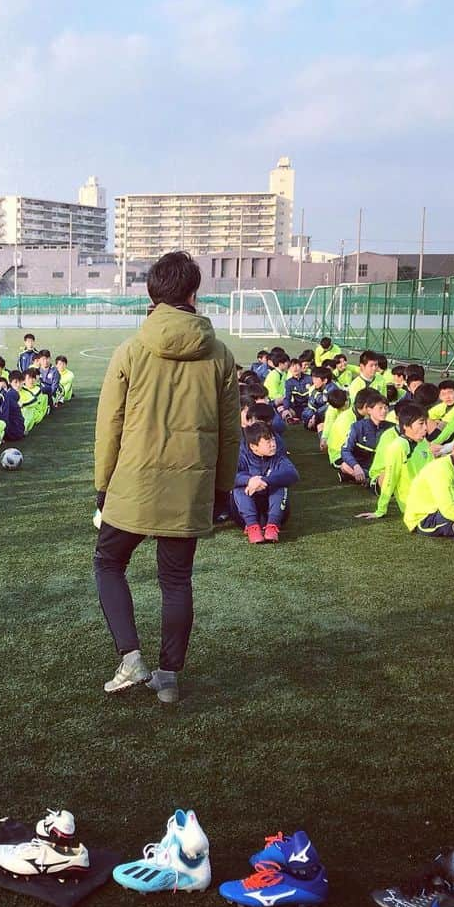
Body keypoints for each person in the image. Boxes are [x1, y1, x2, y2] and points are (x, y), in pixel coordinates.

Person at [93, 251, 238, 705]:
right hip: (190, 487)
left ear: (152, 294)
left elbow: (108, 425)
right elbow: (230, 432)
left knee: (108, 563)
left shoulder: (131, 350)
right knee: (176, 580)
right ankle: (168, 676)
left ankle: (130, 656)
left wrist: (103, 486)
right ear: (194, 293)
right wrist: (220, 491)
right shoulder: (220, 355)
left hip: (132, 484)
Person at [356, 402, 433, 520]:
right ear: (406, 426)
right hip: (415, 505)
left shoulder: (423, 443)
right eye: (421, 424)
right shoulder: (398, 446)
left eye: (425, 424)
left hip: (429, 495)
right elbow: (390, 478)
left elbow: (431, 470)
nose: (426, 428)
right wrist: (380, 510)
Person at [231, 422, 299, 543]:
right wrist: (249, 480)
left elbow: (293, 474)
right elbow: (229, 476)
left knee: (280, 485)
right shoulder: (241, 456)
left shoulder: (278, 457)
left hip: (275, 513)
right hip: (243, 516)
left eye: (273, 440)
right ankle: (252, 527)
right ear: (253, 446)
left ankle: (272, 526)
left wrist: (264, 481)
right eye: (268, 442)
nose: (273, 445)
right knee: (239, 488)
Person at [339, 392, 392, 484]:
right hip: (363, 466)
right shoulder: (357, 427)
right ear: (369, 410)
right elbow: (345, 450)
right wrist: (356, 466)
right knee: (345, 465)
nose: (384, 411)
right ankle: (367, 479)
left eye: (386, 408)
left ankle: (367, 480)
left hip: (382, 468)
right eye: (380, 408)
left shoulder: (392, 428)